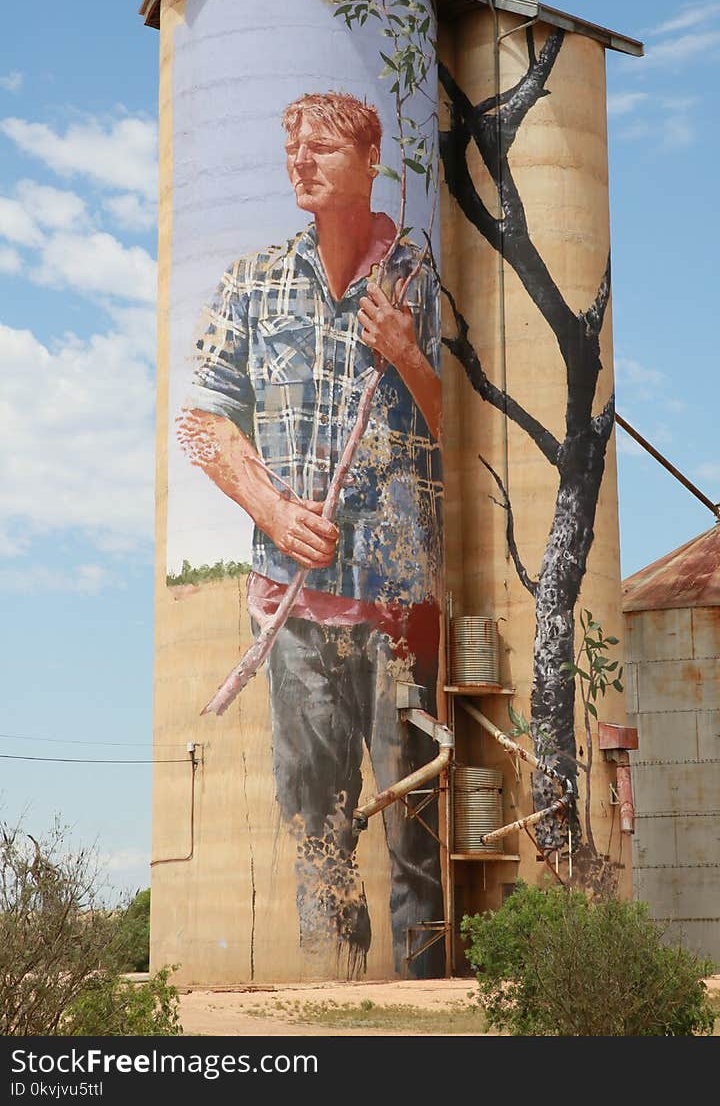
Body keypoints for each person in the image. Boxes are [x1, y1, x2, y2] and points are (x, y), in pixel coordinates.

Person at [178, 91, 445, 978]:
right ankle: (334, 1004)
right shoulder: (253, 282)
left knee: (418, 827)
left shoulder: (414, 277)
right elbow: (203, 422)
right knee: (316, 830)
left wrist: (407, 353)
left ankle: (425, 1008)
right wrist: (272, 511)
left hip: (400, 610)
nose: (301, 160)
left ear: (370, 161)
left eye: (323, 147)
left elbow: (467, 431)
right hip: (291, 618)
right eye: (292, 145)